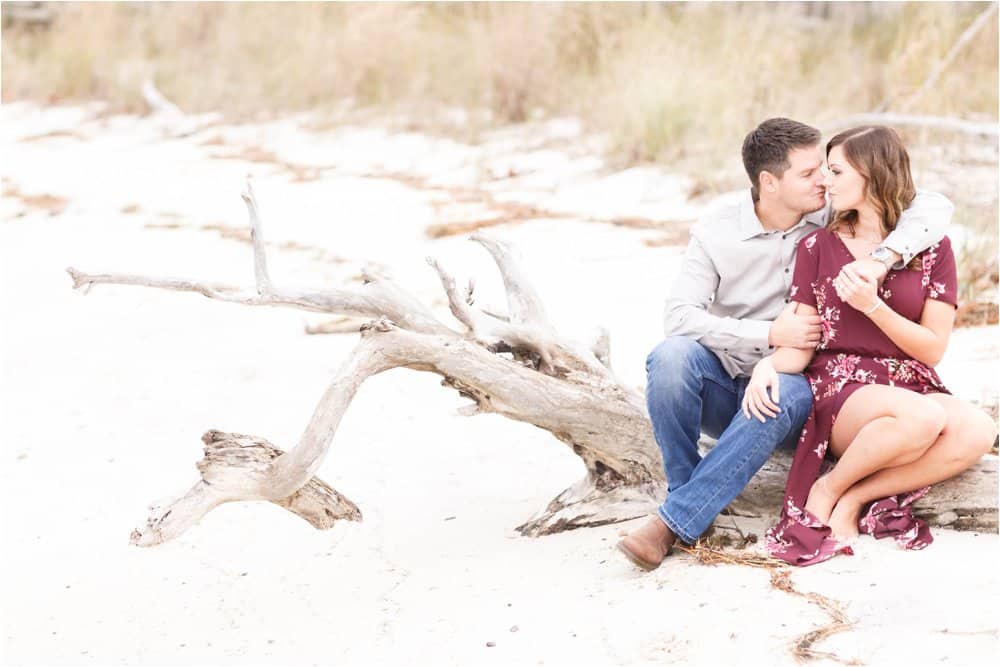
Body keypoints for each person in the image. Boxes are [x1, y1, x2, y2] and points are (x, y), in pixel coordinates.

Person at [617, 118, 955, 571]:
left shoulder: (830, 214)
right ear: (768, 183)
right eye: (808, 173)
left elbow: (931, 207)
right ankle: (683, 497)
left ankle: (673, 523)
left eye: (826, 169)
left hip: (797, 382)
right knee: (670, 356)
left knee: (787, 388)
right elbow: (678, 317)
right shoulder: (717, 231)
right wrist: (768, 336)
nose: (822, 180)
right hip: (731, 379)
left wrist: (883, 259)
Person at [751, 126, 997, 566]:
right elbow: (801, 336)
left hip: (910, 379)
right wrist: (767, 366)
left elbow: (933, 349)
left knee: (979, 429)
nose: (827, 181)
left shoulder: (933, 248)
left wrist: (872, 307)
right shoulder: (817, 246)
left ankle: (850, 496)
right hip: (842, 385)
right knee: (922, 416)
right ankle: (821, 490)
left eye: (836, 170)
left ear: (872, 172)